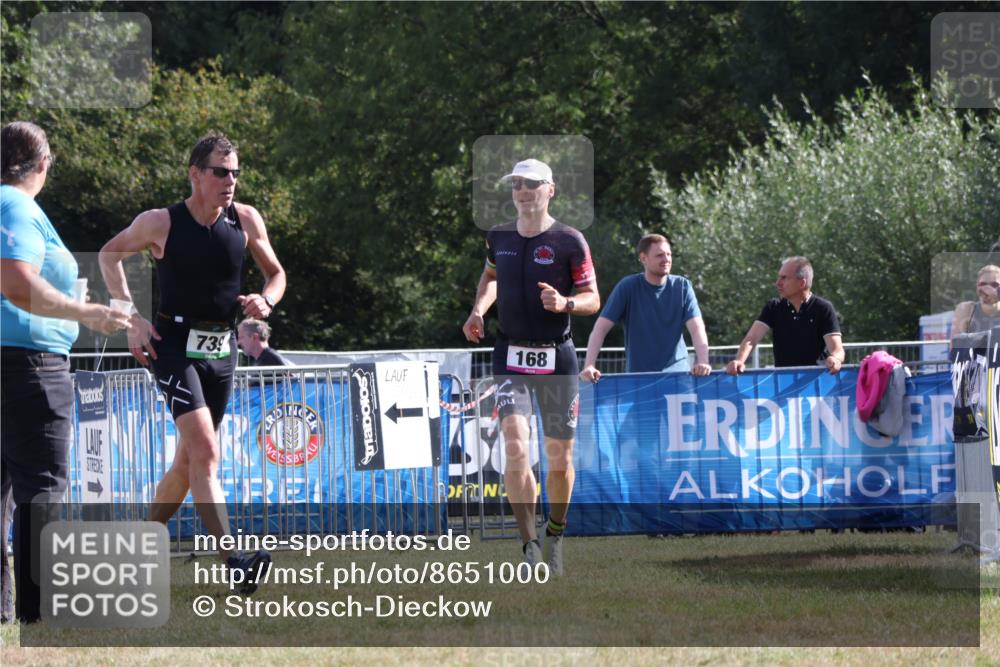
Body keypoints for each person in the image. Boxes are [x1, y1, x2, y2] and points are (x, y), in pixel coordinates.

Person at [99, 131, 286, 591]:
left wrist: (266, 300)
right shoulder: (161, 222)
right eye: (221, 172)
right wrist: (132, 319)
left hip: (223, 351)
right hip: (173, 345)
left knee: (187, 463)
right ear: (196, 174)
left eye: (236, 173)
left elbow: (277, 275)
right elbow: (109, 255)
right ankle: (235, 559)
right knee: (205, 450)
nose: (231, 181)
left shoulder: (245, 220)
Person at [1, 121, 131, 623]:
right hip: (27, 367)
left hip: (14, 363)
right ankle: (41, 613)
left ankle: (8, 611)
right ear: (44, 163)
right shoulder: (16, 205)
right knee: (43, 490)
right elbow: (15, 282)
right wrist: (87, 314)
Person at [462, 158, 599, 576]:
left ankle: (555, 535)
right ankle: (529, 546)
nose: (523, 191)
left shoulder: (569, 241)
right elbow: (490, 278)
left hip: (557, 356)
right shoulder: (498, 237)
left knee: (559, 457)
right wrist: (477, 311)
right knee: (516, 446)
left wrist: (566, 303)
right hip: (510, 355)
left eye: (531, 184)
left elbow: (593, 298)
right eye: (517, 184)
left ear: (550, 190)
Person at [580, 233, 711, 382]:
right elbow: (601, 328)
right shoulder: (627, 287)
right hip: (639, 379)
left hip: (678, 377)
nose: (666, 259)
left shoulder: (683, 287)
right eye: (660, 255)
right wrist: (589, 365)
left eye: (669, 254)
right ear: (643, 258)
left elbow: (696, 328)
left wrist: (703, 361)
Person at [726, 256, 844, 375]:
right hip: (782, 384)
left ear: (802, 283)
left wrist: (835, 359)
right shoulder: (773, 307)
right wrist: (739, 361)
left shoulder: (823, 308)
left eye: (784, 278)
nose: (778, 283)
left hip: (815, 385)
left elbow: (837, 349)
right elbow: (751, 339)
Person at [951, 264, 1000, 336]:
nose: (987, 289)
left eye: (994, 285)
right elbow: (956, 343)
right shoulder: (966, 309)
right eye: (983, 284)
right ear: (977, 287)